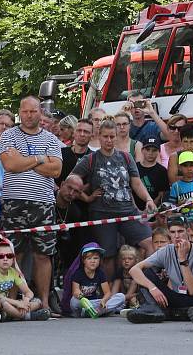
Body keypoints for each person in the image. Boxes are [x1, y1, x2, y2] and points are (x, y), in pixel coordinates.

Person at [0, 96, 63, 311]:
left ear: (40, 112)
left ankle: (44, 303)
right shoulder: (8, 135)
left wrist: (24, 160)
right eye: (25, 111)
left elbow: (56, 170)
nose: (29, 115)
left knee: (43, 254)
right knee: (13, 254)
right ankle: (12, 302)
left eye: (33, 111)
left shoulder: (51, 139)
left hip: (43, 202)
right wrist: (39, 159)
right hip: (13, 201)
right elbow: (10, 165)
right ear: (20, 112)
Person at [71, 118, 157, 278]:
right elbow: (71, 182)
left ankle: (148, 282)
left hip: (128, 211)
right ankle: (109, 292)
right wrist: (87, 198)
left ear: (117, 136)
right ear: (99, 136)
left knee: (149, 243)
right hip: (102, 214)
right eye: (105, 136)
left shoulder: (126, 157)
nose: (109, 140)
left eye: (112, 136)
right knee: (108, 255)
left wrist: (149, 199)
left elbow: (136, 183)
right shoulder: (90, 159)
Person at [126, 216, 193, 324]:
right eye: (173, 232)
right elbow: (134, 270)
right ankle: (152, 308)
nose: (176, 236)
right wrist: (152, 288)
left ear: (188, 231)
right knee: (145, 272)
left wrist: (182, 259)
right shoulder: (166, 250)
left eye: (180, 231)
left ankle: (169, 313)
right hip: (176, 296)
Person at [0, 239, 49, 321]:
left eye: (9, 256)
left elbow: (29, 292)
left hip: (10, 303)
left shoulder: (13, 272)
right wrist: (17, 303)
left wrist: (25, 300)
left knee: (38, 302)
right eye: (0, 256)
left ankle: (13, 314)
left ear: (13, 259)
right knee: (3, 302)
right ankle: (27, 316)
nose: (5, 259)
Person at [68, 243, 125, 317]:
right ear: (83, 261)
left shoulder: (100, 273)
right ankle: (103, 311)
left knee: (121, 296)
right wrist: (82, 298)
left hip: (95, 303)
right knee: (74, 301)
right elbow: (75, 291)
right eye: (89, 258)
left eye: (96, 258)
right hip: (83, 303)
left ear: (99, 260)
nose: (93, 261)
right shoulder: (78, 273)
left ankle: (97, 312)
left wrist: (104, 300)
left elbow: (107, 292)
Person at [56, 118, 92, 186]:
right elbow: (50, 177)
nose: (82, 134)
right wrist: (58, 191)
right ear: (74, 132)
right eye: (79, 130)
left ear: (91, 135)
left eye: (86, 132)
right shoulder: (60, 153)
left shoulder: (94, 157)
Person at [135, 137, 169, 207]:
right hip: (135, 209)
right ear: (142, 150)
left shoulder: (162, 170)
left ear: (159, 152)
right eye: (147, 150)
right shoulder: (135, 168)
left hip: (154, 209)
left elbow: (162, 193)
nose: (150, 153)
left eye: (154, 150)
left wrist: (153, 205)